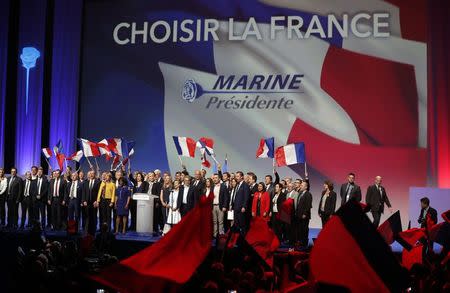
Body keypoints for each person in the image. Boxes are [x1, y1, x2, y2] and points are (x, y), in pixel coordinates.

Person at [82, 170, 100, 235]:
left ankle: (93, 230)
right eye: (90, 174)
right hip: (87, 203)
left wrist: (97, 201)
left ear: (94, 174)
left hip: (94, 203)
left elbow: (99, 193)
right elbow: (84, 192)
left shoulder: (98, 182)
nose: (91, 175)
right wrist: (84, 200)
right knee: (87, 217)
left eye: (93, 174)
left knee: (94, 217)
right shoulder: (86, 182)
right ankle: (87, 230)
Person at [295, 181, 312, 248]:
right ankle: (300, 241)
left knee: (304, 229)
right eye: (301, 185)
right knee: (300, 229)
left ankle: (304, 242)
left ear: (306, 187)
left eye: (302, 185)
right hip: (299, 215)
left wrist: (305, 213)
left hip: (304, 215)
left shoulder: (308, 194)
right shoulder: (300, 193)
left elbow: (308, 205)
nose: (300, 186)